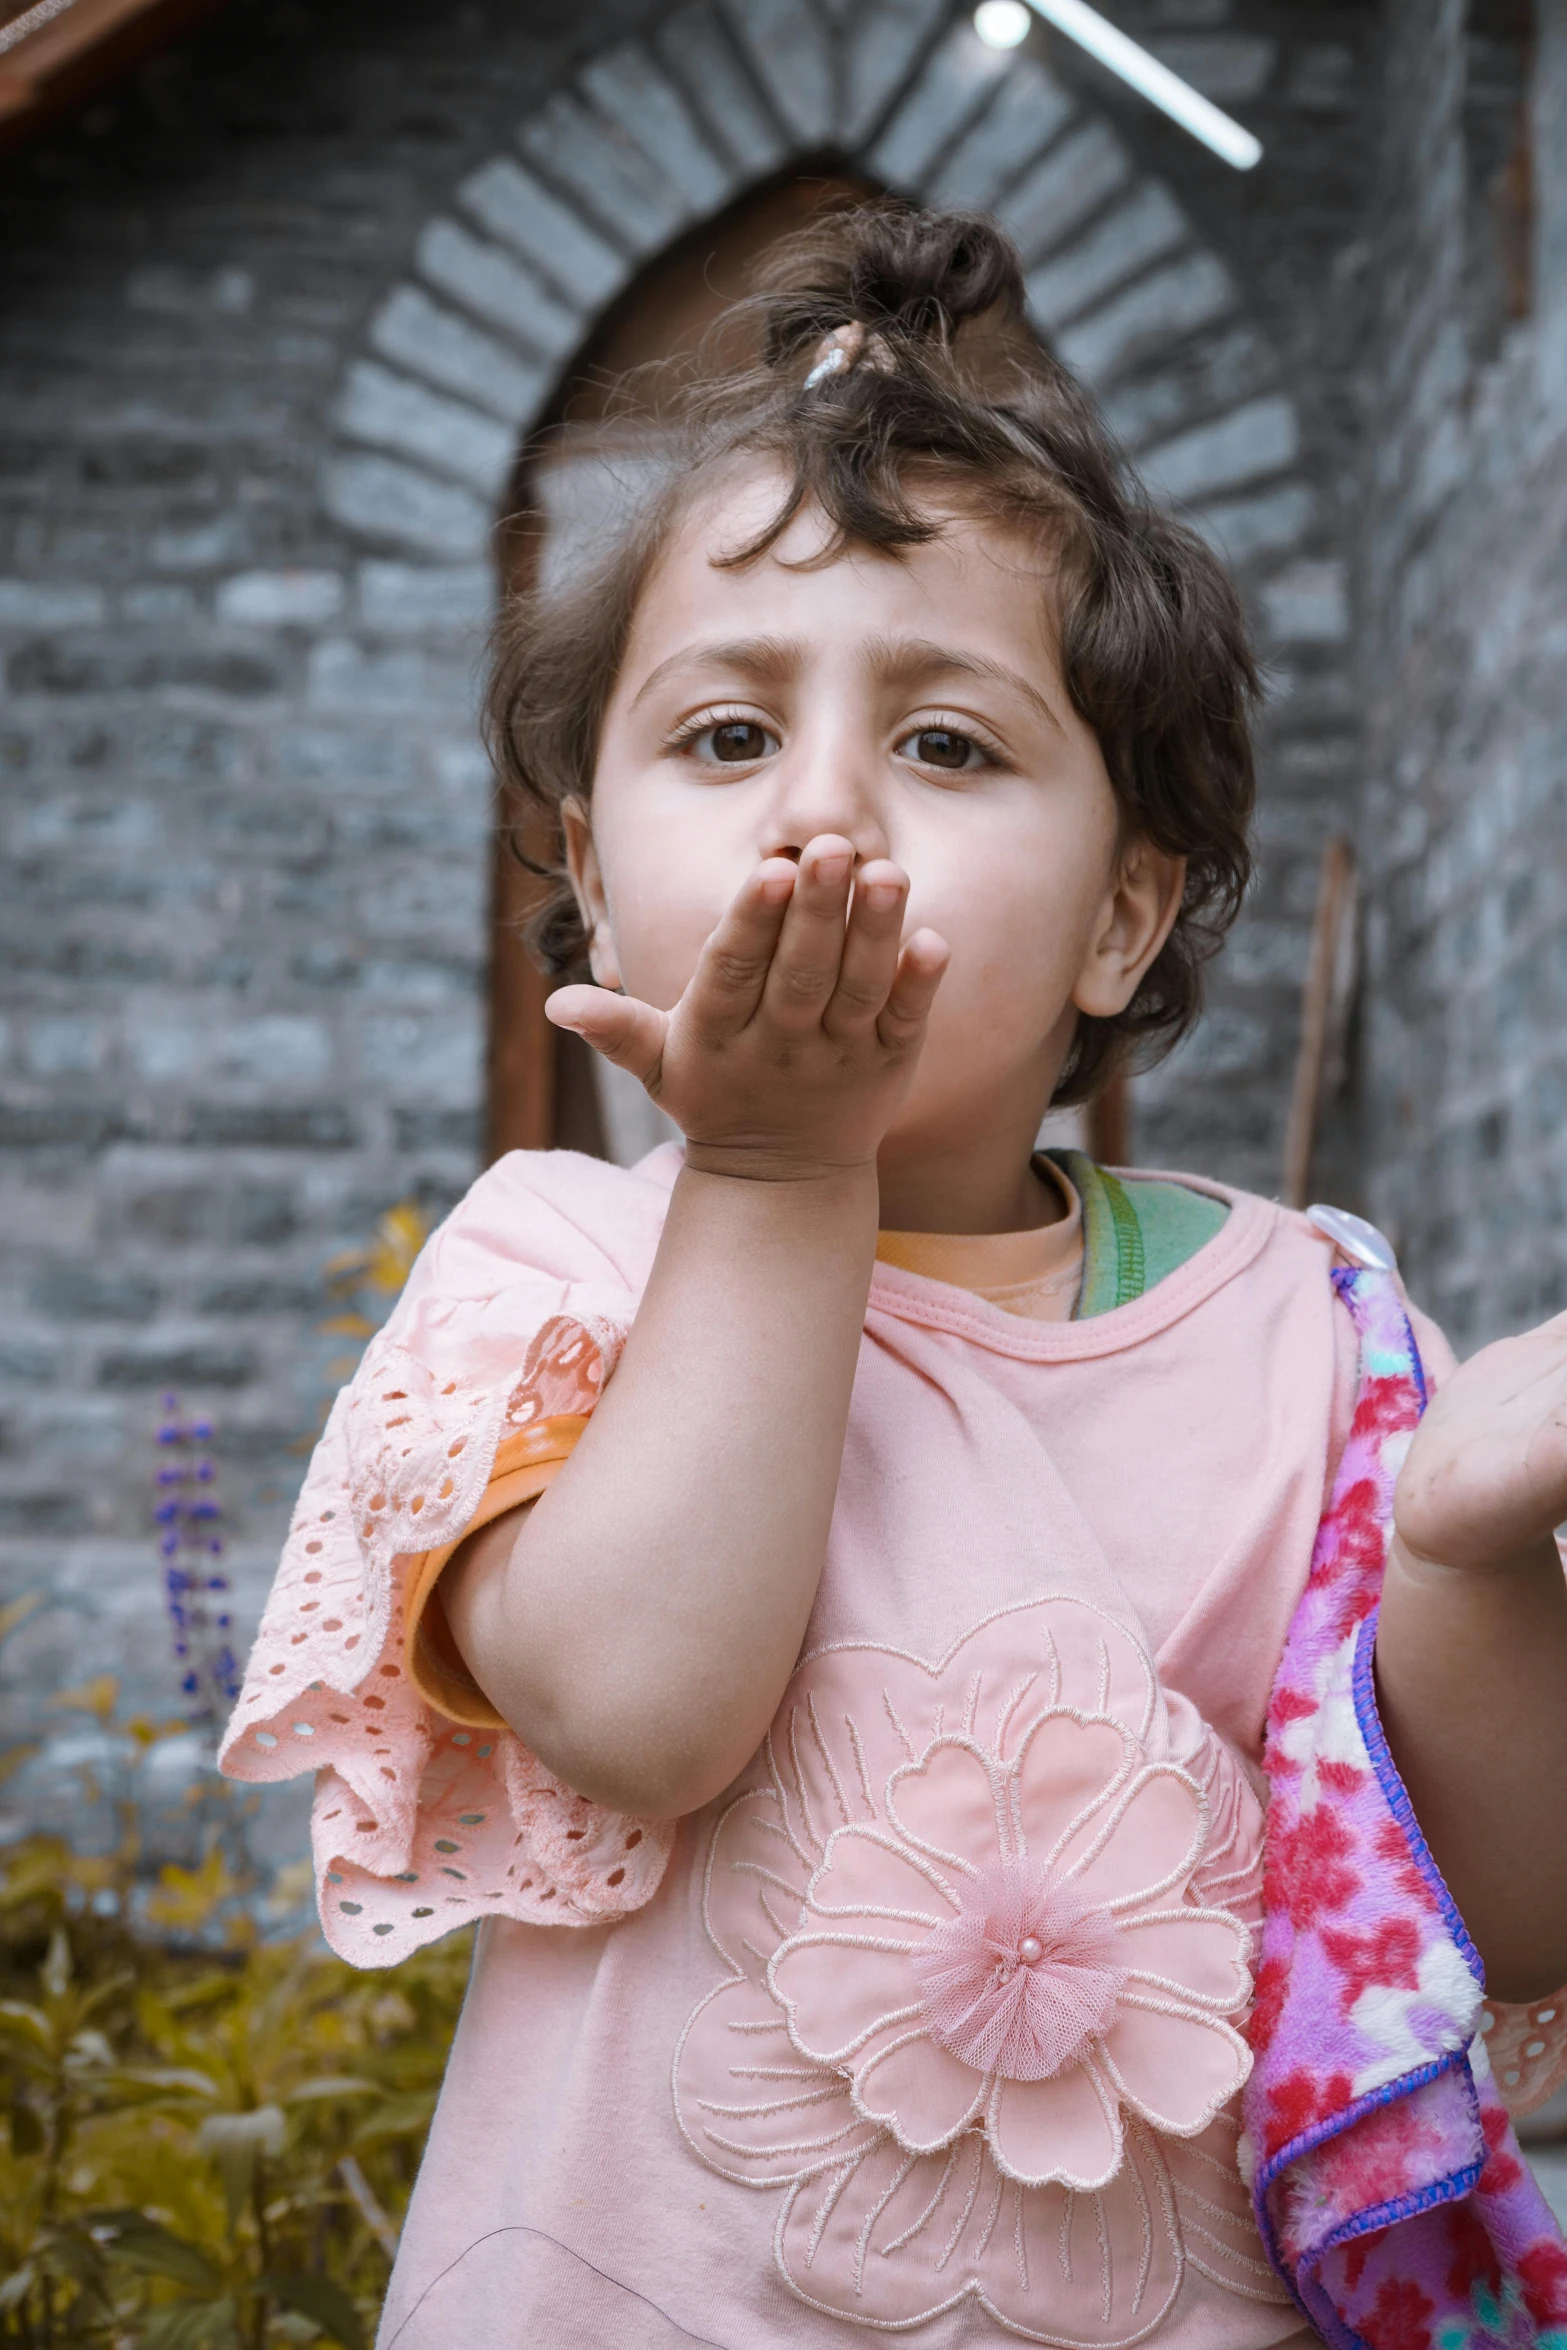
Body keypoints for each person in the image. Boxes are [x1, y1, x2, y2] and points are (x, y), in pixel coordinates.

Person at [220, 207, 1567, 2348]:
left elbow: (1489, 1910)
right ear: (590, 876)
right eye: (726, 738)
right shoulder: (553, 1268)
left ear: (1125, 919)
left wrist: (1472, 1553)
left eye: (946, 744)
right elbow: (641, 1712)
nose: (824, 813)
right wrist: (770, 1160)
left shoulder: (1297, 1325)